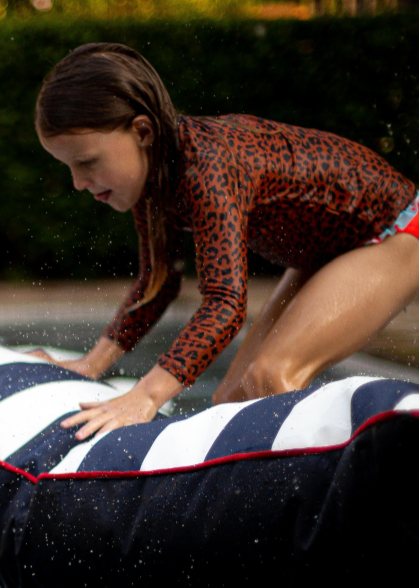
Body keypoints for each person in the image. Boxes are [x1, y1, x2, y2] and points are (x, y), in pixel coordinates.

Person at [35, 42, 419, 441]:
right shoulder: (152, 182)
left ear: (142, 131)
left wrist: (146, 396)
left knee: (272, 375)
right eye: (69, 167)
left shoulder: (208, 167)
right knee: (229, 401)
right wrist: (93, 364)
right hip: (327, 252)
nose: (78, 183)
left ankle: (344, 489)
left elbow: (225, 304)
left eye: (86, 163)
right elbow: (159, 282)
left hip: (394, 231)